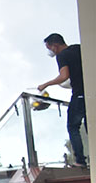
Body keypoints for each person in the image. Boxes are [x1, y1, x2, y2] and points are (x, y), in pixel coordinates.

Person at [37, 33, 87, 167]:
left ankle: (80, 160)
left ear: (55, 46)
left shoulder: (62, 56)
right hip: (90, 93)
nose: (50, 51)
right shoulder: (78, 48)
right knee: (90, 126)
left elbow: (64, 76)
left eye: (49, 48)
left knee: (73, 126)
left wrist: (45, 84)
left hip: (79, 94)